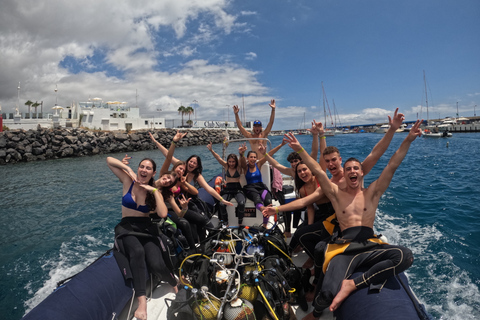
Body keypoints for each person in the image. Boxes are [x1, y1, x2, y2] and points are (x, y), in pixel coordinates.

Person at [285, 119, 422, 319]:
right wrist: (300, 149)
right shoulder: (336, 193)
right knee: (325, 295)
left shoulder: (372, 193)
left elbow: (392, 163)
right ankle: (316, 313)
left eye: (355, 168)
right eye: (348, 169)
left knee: (405, 256)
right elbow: (316, 169)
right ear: (345, 171)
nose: (352, 171)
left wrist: (407, 139)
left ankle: (353, 284)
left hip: (370, 245)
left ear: (361, 172)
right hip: (345, 248)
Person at [107, 156, 178, 320]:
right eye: (141, 167)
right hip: (127, 227)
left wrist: (153, 191)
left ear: (153, 173)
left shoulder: (154, 190)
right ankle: (142, 303)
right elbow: (109, 160)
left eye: (148, 168)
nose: (144, 170)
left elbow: (163, 214)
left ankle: (174, 284)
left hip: (146, 229)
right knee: (137, 251)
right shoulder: (127, 180)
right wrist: (129, 169)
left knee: (157, 264)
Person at [264, 120, 327, 236]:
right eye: (292, 162)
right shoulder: (292, 172)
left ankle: (300, 229)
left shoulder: (310, 168)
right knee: (288, 207)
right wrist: (265, 155)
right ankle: (288, 230)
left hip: (315, 202)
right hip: (304, 198)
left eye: (296, 161)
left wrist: (315, 135)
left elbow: (315, 152)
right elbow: (277, 165)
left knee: (301, 213)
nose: (294, 164)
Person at [241, 141, 285, 226]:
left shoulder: (259, 164)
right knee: (257, 199)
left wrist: (281, 145)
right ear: (247, 159)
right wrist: (242, 154)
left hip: (260, 186)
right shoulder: (245, 167)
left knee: (268, 200)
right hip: (250, 188)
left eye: (254, 157)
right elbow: (241, 161)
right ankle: (263, 209)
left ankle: (265, 225)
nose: (253, 159)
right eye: (251, 157)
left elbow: (270, 154)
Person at [207, 141, 248, 225]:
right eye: (230, 161)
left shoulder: (239, 167)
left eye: (233, 161)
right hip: (228, 189)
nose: (231, 163)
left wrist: (242, 154)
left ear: (235, 162)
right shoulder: (226, 166)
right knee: (221, 204)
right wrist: (211, 150)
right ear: (228, 162)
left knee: (241, 203)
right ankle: (226, 222)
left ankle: (240, 222)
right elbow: (218, 158)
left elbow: (242, 162)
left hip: (237, 189)